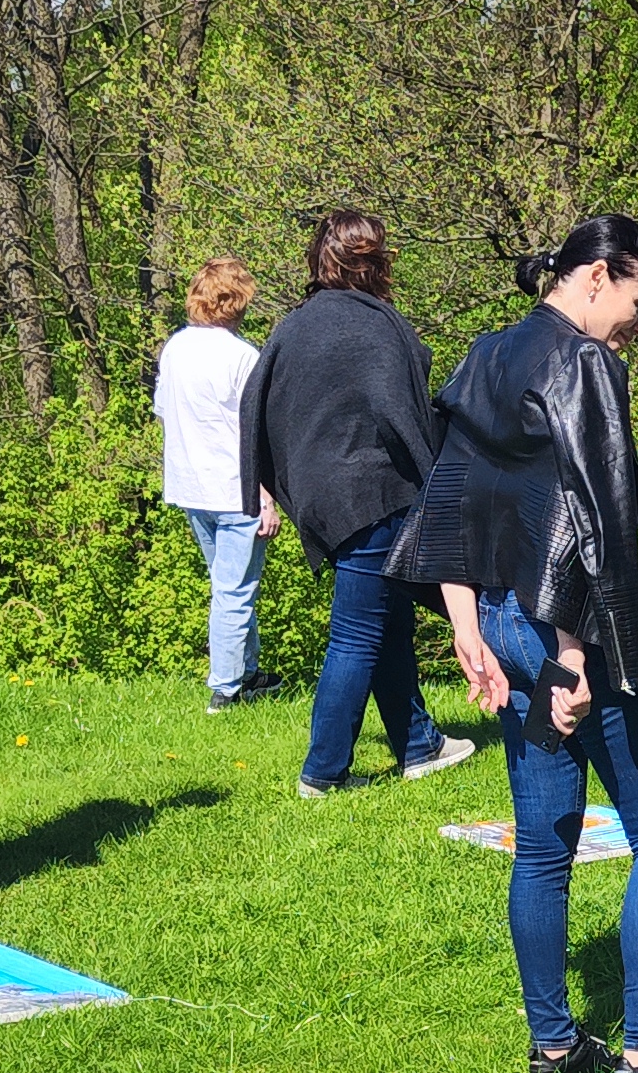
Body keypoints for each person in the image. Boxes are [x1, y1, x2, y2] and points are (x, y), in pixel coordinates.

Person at [394, 213, 638, 1073]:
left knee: (544, 844)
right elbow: (599, 519)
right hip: (574, 637)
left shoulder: (488, 352)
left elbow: (448, 497)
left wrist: (466, 627)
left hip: (502, 623)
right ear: (596, 276)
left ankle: (554, 1047)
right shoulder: (585, 363)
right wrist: (577, 657)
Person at [241, 208, 477, 796]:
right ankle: (323, 771)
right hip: (373, 491)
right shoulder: (378, 325)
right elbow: (404, 409)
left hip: (326, 496)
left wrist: (278, 483)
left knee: (387, 619)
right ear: (374, 262)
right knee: (355, 634)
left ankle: (419, 745)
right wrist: (435, 483)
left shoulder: (294, 326)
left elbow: (258, 407)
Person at [157, 255, 280, 713]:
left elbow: (164, 412)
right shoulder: (241, 356)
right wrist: (267, 497)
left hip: (191, 486)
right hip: (235, 490)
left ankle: (247, 671)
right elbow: (258, 434)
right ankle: (225, 688)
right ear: (237, 302)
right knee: (234, 591)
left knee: (227, 585)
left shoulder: (176, 348)